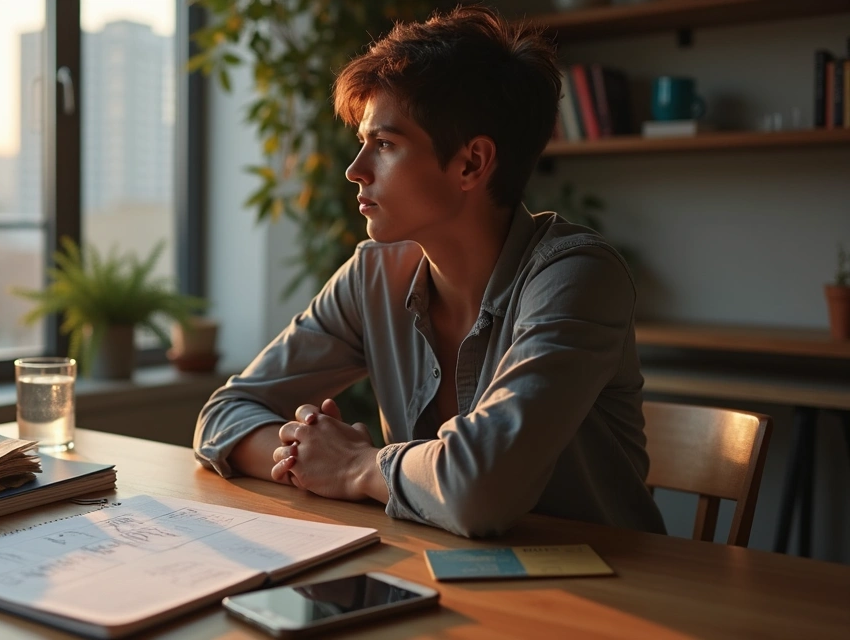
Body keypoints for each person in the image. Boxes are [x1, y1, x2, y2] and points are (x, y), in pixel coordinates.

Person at [192, 5, 667, 538]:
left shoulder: (577, 278)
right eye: (362, 143)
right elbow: (224, 415)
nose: (355, 170)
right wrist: (309, 455)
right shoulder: (373, 276)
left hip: (610, 580)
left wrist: (354, 466)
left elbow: (479, 490)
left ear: (471, 163)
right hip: (439, 568)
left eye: (385, 145)